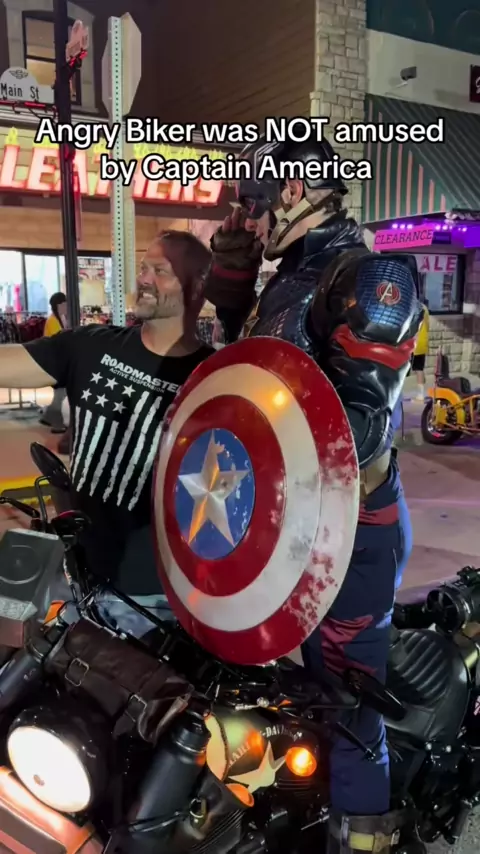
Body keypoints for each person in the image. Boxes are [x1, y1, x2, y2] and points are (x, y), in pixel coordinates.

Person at [202, 133, 423, 854]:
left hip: (349, 524)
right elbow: (240, 379)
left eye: (253, 205)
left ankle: (366, 840)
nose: (247, 221)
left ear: (294, 190)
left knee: (351, 702)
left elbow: (357, 425)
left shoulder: (370, 274)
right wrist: (232, 286)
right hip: (284, 516)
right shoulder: (290, 277)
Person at [0, 231, 214, 610]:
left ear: (197, 287)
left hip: (154, 595)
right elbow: (8, 364)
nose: (143, 279)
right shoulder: (91, 345)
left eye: (160, 271)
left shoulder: (217, 378)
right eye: (143, 268)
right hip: (77, 568)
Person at [39, 292, 68, 434]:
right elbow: (59, 340)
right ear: (59, 305)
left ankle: (49, 416)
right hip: (54, 362)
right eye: (64, 304)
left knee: (60, 392)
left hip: (57, 361)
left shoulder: (60, 319)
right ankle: (56, 422)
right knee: (61, 392)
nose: (66, 306)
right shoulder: (53, 321)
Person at [411, 298, 429, 401]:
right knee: (419, 369)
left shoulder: (414, 309)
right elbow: (427, 326)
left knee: (417, 369)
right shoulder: (425, 308)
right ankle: (421, 392)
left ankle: (420, 395)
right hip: (422, 342)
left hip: (414, 343)